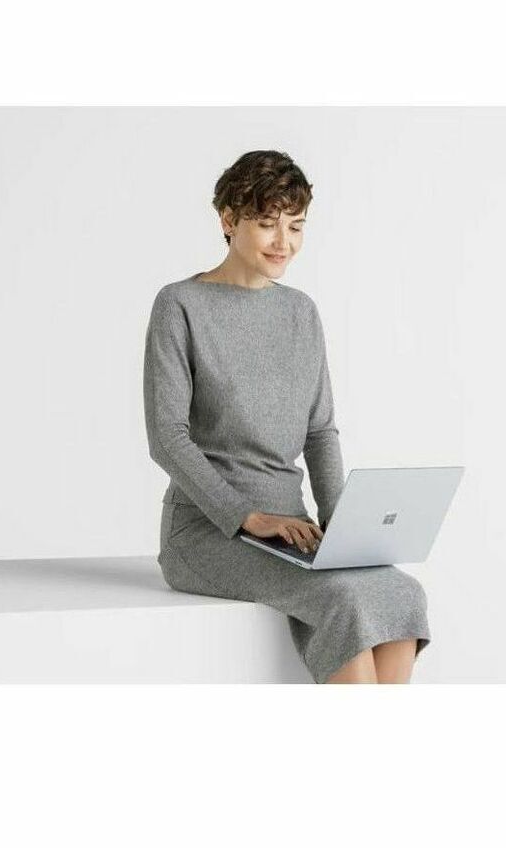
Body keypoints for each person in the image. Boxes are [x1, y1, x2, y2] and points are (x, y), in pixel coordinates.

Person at [143, 149, 431, 684]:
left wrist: (344, 530)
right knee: (344, 599)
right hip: (208, 532)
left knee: (401, 594)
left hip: (293, 531)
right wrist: (247, 517)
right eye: (267, 223)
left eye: (295, 226)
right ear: (229, 220)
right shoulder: (179, 305)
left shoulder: (300, 311)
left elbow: (319, 433)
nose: (284, 242)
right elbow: (167, 437)